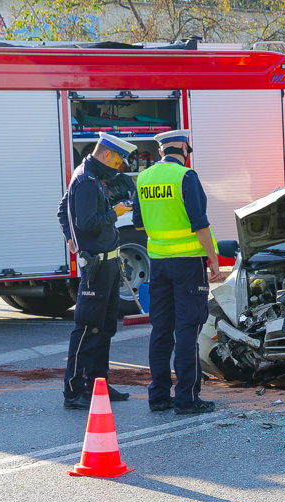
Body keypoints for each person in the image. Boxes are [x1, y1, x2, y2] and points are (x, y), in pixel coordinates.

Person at [133, 129, 223, 415]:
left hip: (158, 263)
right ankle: (187, 398)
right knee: (187, 330)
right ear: (184, 149)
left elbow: (138, 224)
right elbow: (200, 223)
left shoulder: (144, 178)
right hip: (187, 265)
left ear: (161, 151)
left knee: (161, 330)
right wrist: (213, 260)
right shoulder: (186, 177)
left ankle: (158, 396)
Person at [57, 132, 136, 409]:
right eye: (118, 161)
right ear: (105, 154)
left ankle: (98, 384)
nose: (119, 167)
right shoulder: (87, 181)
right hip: (97, 265)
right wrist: (116, 212)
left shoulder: (89, 175)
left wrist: (70, 237)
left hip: (109, 262)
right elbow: (88, 222)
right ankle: (74, 390)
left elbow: (62, 210)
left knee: (105, 328)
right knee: (88, 328)